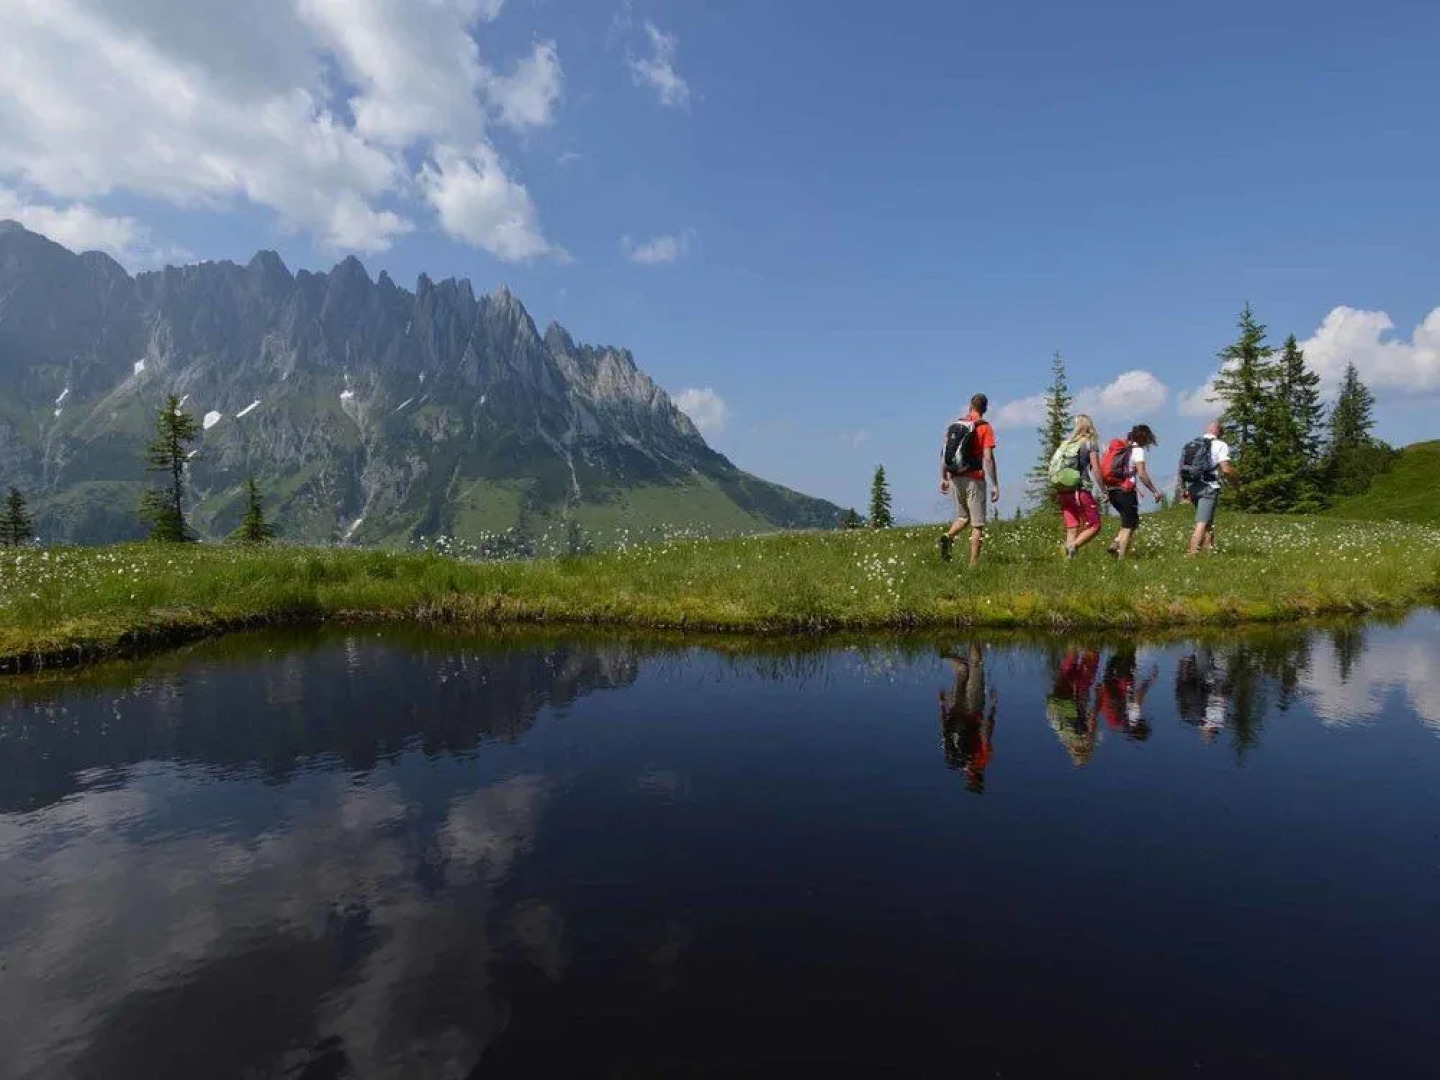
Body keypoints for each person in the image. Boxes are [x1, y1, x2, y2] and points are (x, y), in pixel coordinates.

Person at [939, 393, 999, 567]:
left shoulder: (955, 425)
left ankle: (947, 537)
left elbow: (944, 453)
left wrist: (943, 477)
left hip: (955, 477)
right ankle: (973, 565)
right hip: (974, 479)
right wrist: (995, 484)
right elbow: (987, 458)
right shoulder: (985, 428)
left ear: (970, 406)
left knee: (963, 517)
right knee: (977, 524)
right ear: (985, 409)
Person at [939, 644, 998, 793]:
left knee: (975, 666)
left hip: (973, 710)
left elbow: (985, 732)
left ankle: (973, 631)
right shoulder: (956, 761)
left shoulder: (980, 760)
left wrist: (993, 707)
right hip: (955, 711)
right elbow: (943, 732)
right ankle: (944, 651)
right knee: (962, 671)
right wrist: (943, 706)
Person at [1103, 424, 1163, 560]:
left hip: (1112, 490)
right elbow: (1141, 474)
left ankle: (1116, 543)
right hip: (1126, 491)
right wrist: (1154, 490)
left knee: (1133, 521)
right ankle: (1121, 558)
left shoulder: (1121, 448)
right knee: (1128, 526)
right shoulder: (1137, 451)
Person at [1183, 420, 1240, 556]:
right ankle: (1191, 555)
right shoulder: (1220, 444)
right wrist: (1237, 485)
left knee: (1208, 520)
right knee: (1202, 523)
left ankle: (1210, 551)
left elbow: (1182, 468)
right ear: (1218, 431)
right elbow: (1226, 470)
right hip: (1208, 487)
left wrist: (1184, 489)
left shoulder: (1192, 444)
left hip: (1192, 486)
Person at [1054, 415, 1103, 560]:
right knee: (1095, 525)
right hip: (1080, 489)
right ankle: (1071, 547)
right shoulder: (1089, 443)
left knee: (1072, 526)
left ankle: (1068, 563)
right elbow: (1096, 468)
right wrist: (1104, 489)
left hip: (1063, 490)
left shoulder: (1067, 443)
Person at [1095, 646, 1158, 741]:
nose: (1143, 720)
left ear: (1140, 726)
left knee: (1126, 658)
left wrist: (1150, 681)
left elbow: (1138, 696)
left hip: (1117, 684)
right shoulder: (1116, 725)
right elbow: (1103, 707)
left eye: (1143, 722)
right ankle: (1122, 647)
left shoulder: (1131, 719)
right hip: (1108, 684)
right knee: (1118, 659)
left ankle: (1127, 645)